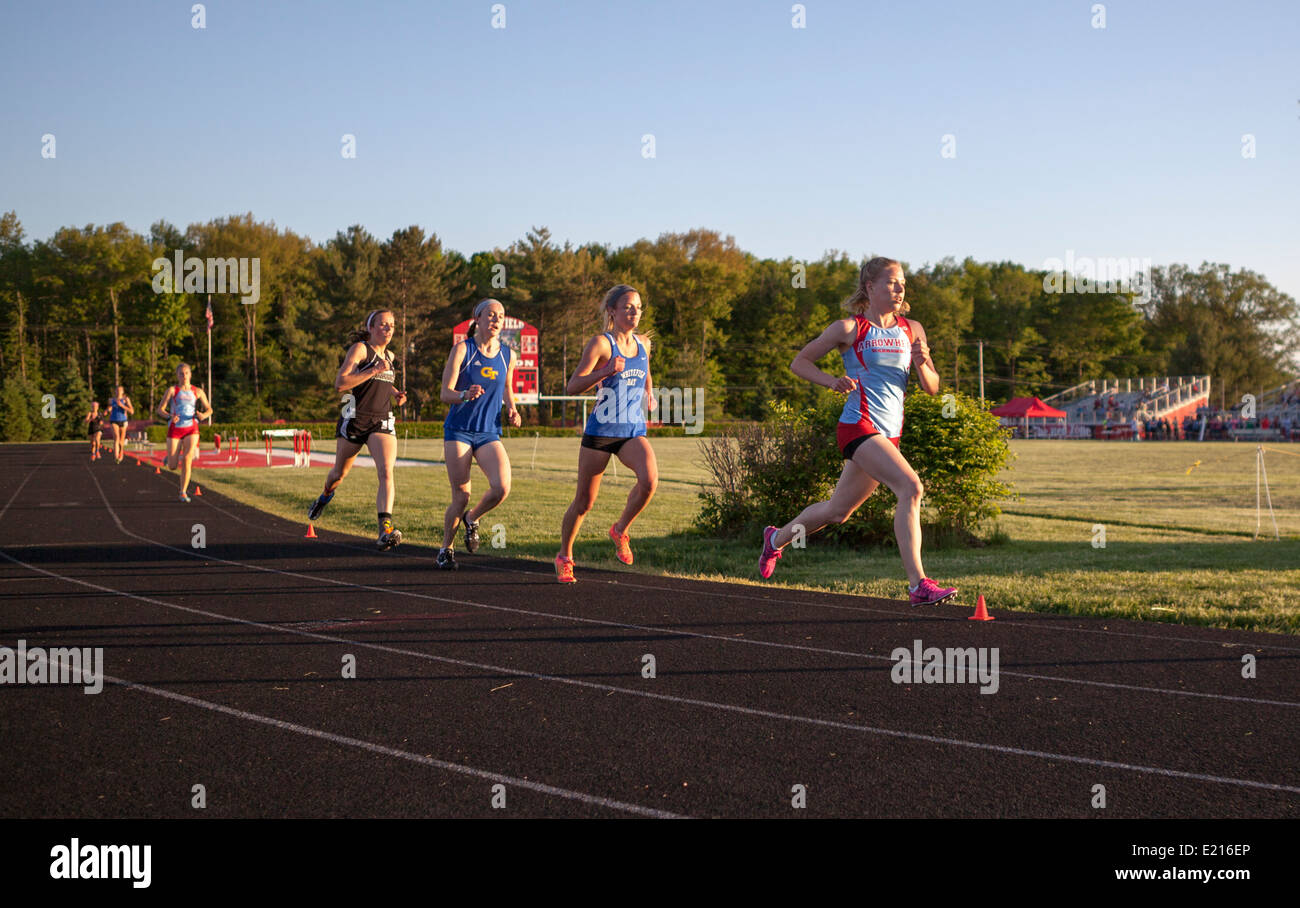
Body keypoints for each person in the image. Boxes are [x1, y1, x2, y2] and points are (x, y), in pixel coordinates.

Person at [757, 257, 958, 606]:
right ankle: (918, 585)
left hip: (889, 433)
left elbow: (932, 388)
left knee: (838, 511)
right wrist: (831, 381)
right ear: (870, 287)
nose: (900, 289)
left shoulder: (913, 329)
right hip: (858, 426)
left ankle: (775, 540)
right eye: (892, 282)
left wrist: (923, 362)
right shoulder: (849, 329)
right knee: (911, 488)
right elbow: (799, 362)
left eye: (903, 283)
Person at [555, 284, 658, 583]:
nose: (634, 311)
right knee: (584, 502)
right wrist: (605, 372)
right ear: (611, 311)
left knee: (649, 481)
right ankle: (565, 556)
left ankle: (620, 529)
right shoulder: (601, 344)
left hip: (632, 431)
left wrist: (649, 395)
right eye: (627, 306)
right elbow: (573, 386)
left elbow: (646, 371)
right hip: (601, 432)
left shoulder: (644, 344)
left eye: (638, 306)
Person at [307, 309, 408, 549]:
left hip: (381, 420)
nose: (388, 329)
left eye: (392, 325)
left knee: (386, 472)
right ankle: (325, 495)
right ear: (371, 328)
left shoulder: (390, 356)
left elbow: (383, 383)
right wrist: (373, 370)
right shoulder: (361, 350)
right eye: (383, 325)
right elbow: (341, 383)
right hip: (354, 418)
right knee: (338, 474)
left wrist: (396, 394)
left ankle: (385, 529)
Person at [436, 299, 522, 570]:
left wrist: (513, 409)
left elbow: (507, 387)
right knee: (461, 495)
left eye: (501, 316)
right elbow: (444, 393)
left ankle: (472, 519)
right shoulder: (463, 349)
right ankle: (446, 549)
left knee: (502, 487)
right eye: (491, 315)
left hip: (488, 432)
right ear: (478, 318)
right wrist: (463, 394)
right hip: (459, 430)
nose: (496, 320)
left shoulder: (508, 354)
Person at [157, 363, 213, 502]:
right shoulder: (172, 390)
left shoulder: (197, 391)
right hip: (175, 428)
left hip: (191, 428)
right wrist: (170, 416)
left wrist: (203, 416)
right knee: (172, 466)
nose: (184, 376)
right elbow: (160, 410)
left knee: (188, 458)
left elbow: (209, 409)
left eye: (186, 373)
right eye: (181, 373)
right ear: (177, 375)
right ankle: (169, 458)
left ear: (190, 374)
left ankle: (183, 491)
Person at [107, 385, 134, 464]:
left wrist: (122, 406)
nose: (118, 392)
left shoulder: (126, 399)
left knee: (121, 441)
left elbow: (132, 411)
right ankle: (116, 457)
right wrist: (109, 409)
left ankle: (121, 452)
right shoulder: (111, 400)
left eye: (120, 390)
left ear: (123, 391)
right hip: (113, 420)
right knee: (116, 437)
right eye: (117, 390)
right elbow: (109, 409)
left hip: (123, 420)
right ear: (115, 391)